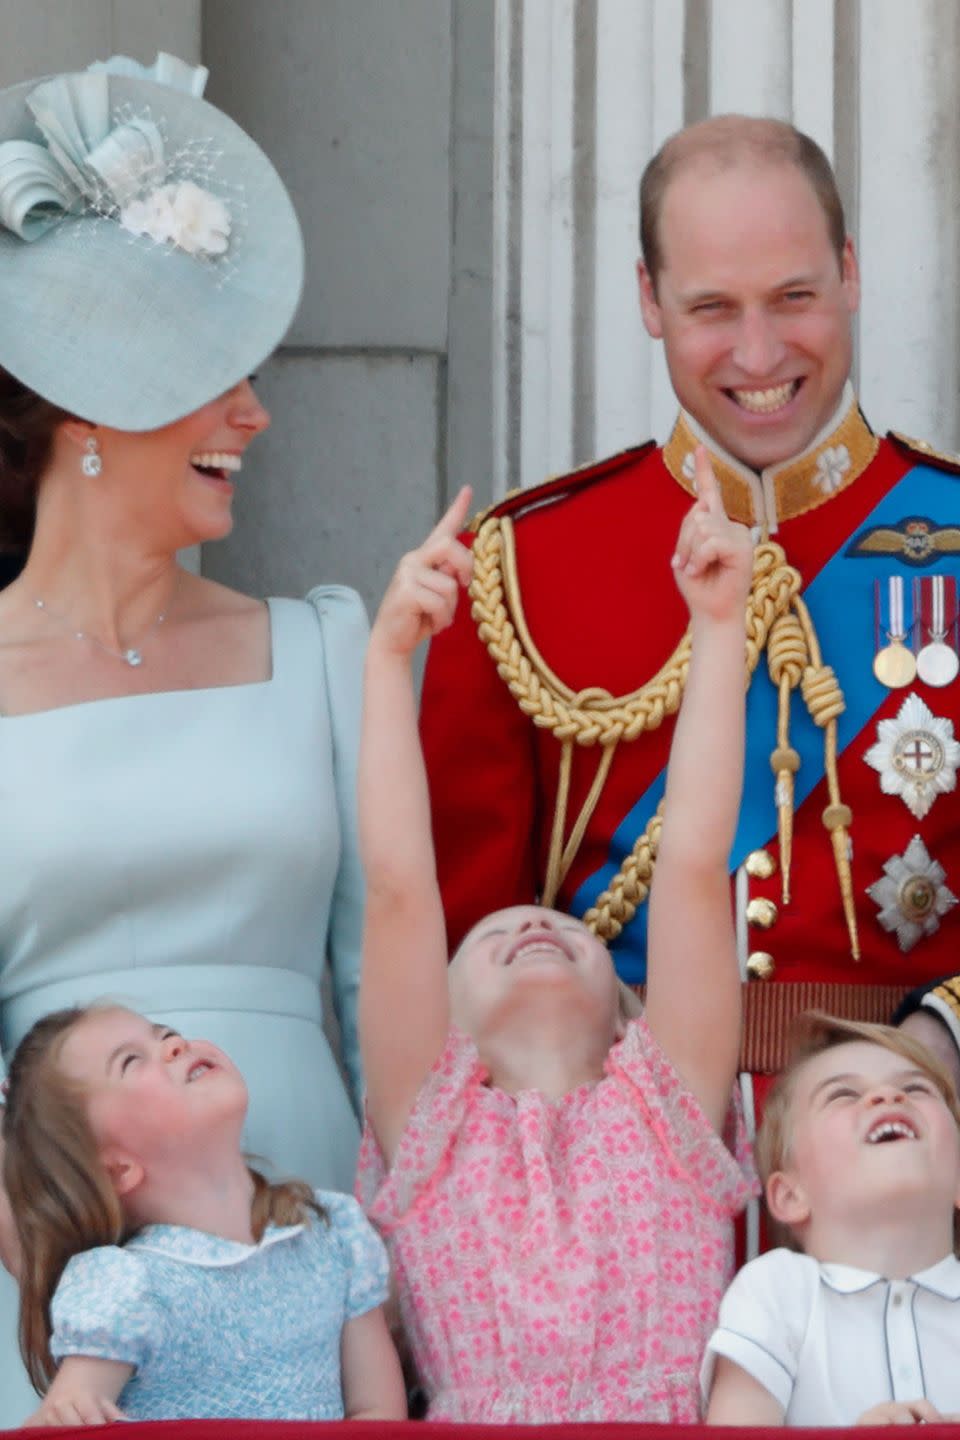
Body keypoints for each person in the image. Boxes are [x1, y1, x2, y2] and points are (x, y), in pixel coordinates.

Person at [421, 115, 960, 1063]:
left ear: (852, 272)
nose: (759, 356)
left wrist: (940, 1045)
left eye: (794, 297)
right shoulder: (523, 562)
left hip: (918, 1141)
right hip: (615, 1154)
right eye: (714, 308)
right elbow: (459, 942)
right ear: (650, 298)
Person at [0, 53, 365, 1423]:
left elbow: (383, 995)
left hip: (317, 1248)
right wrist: (49, 1254)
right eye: (218, 377)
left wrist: (390, 1247)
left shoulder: (325, 645)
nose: (254, 415)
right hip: (47, 1268)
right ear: (91, 406)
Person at [356, 455, 757, 1423]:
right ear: (440, 1016)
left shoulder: (668, 1107)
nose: (536, 919)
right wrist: (387, 659)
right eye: (494, 932)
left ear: (630, 1017)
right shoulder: (430, 1127)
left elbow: (695, 862)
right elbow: (403, 889)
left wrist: (716, 627)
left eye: (562, 929)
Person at [2, 1004, 405, 1424]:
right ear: (116, 1169)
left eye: (165, 1034)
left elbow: (376, 1413)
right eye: (131, 1060)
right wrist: (65, 1411)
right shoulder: (125, 1285)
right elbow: (66, 1418)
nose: (176, 1045)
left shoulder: (331, 1232)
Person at [703, 1012, 960, 1426]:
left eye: (915, 1088)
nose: (889, 1097)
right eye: (842, 1095)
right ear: (790, 1195)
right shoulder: (776, 1292)